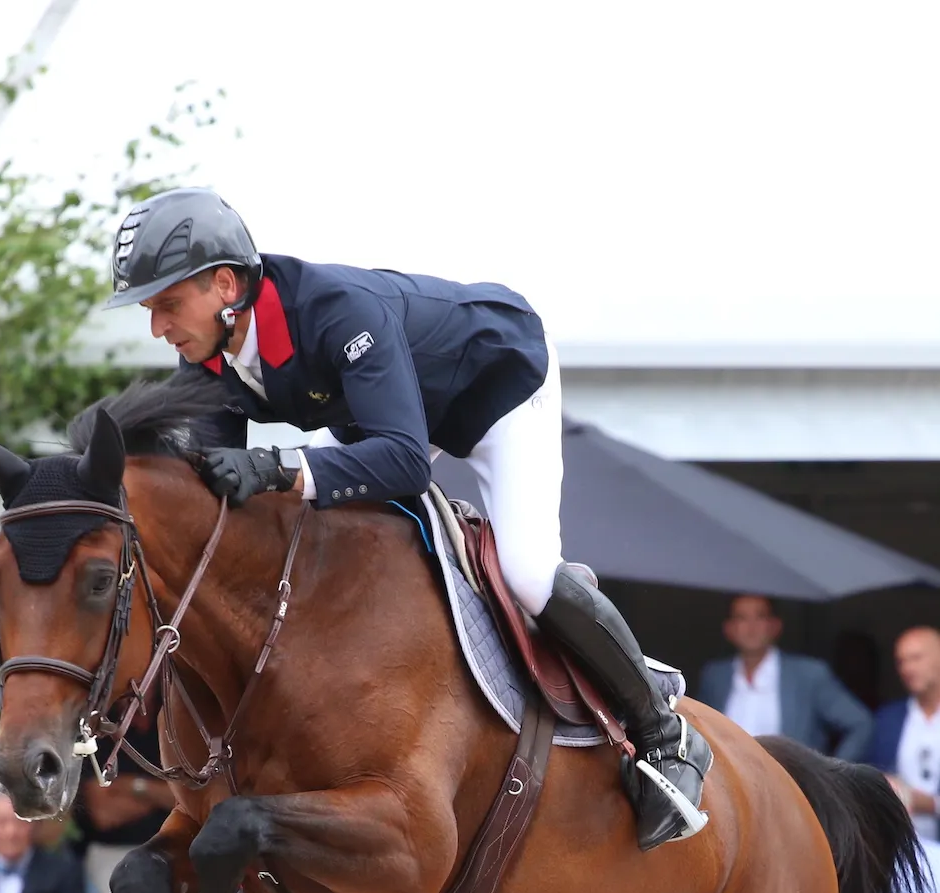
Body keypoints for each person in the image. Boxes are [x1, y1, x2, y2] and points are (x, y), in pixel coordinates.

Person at [103, 188, 711, 852]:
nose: (157, 327)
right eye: (150, 310)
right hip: (389, 417)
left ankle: (663, 728)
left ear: (225, 285)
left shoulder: (335, 311)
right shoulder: (210, 350)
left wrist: (277, 467)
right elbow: (215, 499)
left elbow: (404, 462)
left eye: (167, 304)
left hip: (496, 391)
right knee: (299, 524)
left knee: (528, 573)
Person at [697, 594, 873, 760]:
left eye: (760, 616)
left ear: (775, 626)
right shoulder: (715, 676)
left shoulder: (808, 674)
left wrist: (831, 774)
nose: (751, 626)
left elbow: (860, 723)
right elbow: (699, 730)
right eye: (742, 618)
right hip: (727, 779)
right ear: (729, 629)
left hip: (787, 780)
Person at [74, 704, 173, 893]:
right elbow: (103, 813)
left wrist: (133, 787)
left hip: (172, 849)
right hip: (111, 852)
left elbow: (186, 798)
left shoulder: (174, 721)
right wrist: (159, 796)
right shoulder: (97, 727)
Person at [871, 626, 940, 839]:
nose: (907, 668)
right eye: (901, 661)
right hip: (898, 843)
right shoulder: (888, 718)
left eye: (916, 658)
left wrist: (931, 804)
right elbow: (870, 772)